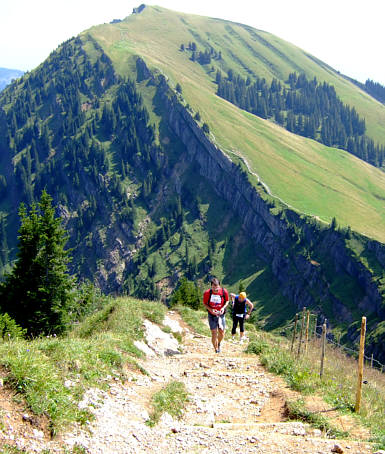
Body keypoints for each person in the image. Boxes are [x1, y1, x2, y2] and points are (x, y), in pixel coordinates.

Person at [203, 278, 230, 353]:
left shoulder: (224, 292)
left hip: (221, 314)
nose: (215, 289)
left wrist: (223, 308)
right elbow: (205, 303)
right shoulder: (207, 293)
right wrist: (211, 310)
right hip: (212, 315)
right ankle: (216, 349)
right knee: (214, 332)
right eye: (213, 287)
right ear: (211, 286)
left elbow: (227, 301)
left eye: (217, 287)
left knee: (221, 331)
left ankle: (219, 343)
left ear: (219, 286)